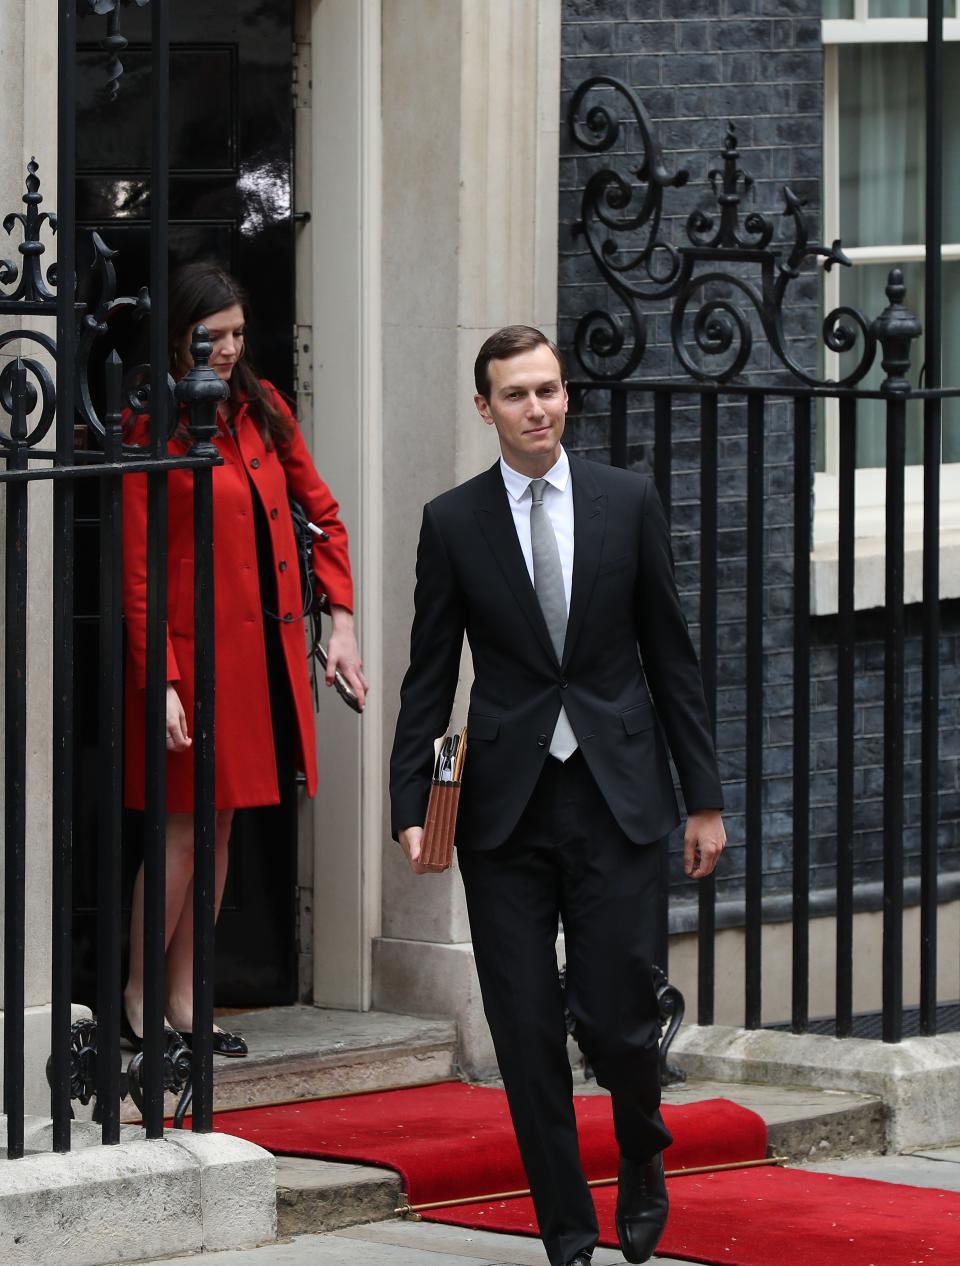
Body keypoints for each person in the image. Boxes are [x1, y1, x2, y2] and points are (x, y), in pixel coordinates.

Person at [389, 326, 726, 1266]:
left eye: (548, 390)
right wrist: (410, 798)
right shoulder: (453, 522)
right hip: (504, 810)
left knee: (617, 1018)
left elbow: (672, 656)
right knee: (526, 1026)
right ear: (484, 407)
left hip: (618, 800)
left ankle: (642, 1148)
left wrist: (704, 798)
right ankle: (567, 1229)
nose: (537, 409)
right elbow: (428, 675)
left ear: (565, 395)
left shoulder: (627, 501)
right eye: (516, 395)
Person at [121, 262, 367, 1056]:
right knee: (180, 834)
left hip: (254, 657)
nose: (226, 349)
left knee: (218, 831)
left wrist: (341, 619)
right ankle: (138, 992)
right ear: (176, 337)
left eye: (235, 334)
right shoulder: (148, 422)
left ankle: (190, 995)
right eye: (210, 337)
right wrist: (159, 677)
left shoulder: (262, 409)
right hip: (185, 662)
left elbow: (323, 515)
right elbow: (138, 563)